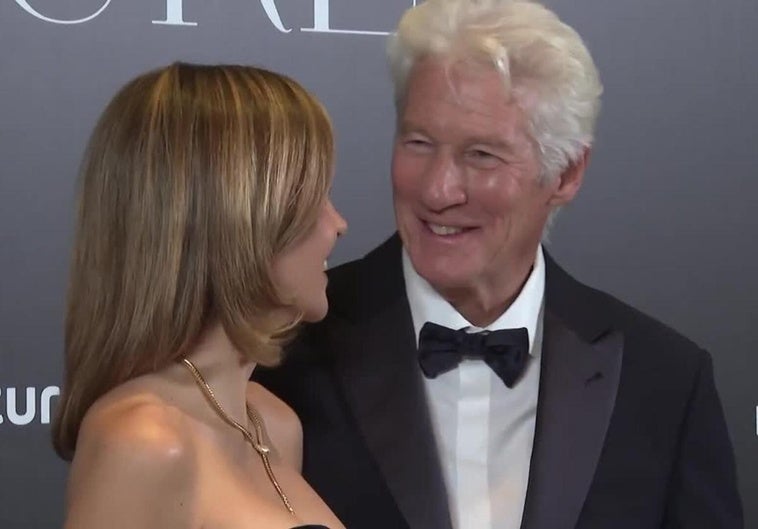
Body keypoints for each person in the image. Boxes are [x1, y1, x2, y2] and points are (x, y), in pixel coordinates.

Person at [254, 1, 744, 528]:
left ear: (567, 173)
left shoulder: (664, 380)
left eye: (481, 155)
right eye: (419, 143)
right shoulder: (280, 352)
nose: (438, 190)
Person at [52, 62, 348, 529]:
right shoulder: (143, 440)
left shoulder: (272, 422)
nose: (337, 225)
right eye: (314, 199)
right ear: (241, 219)